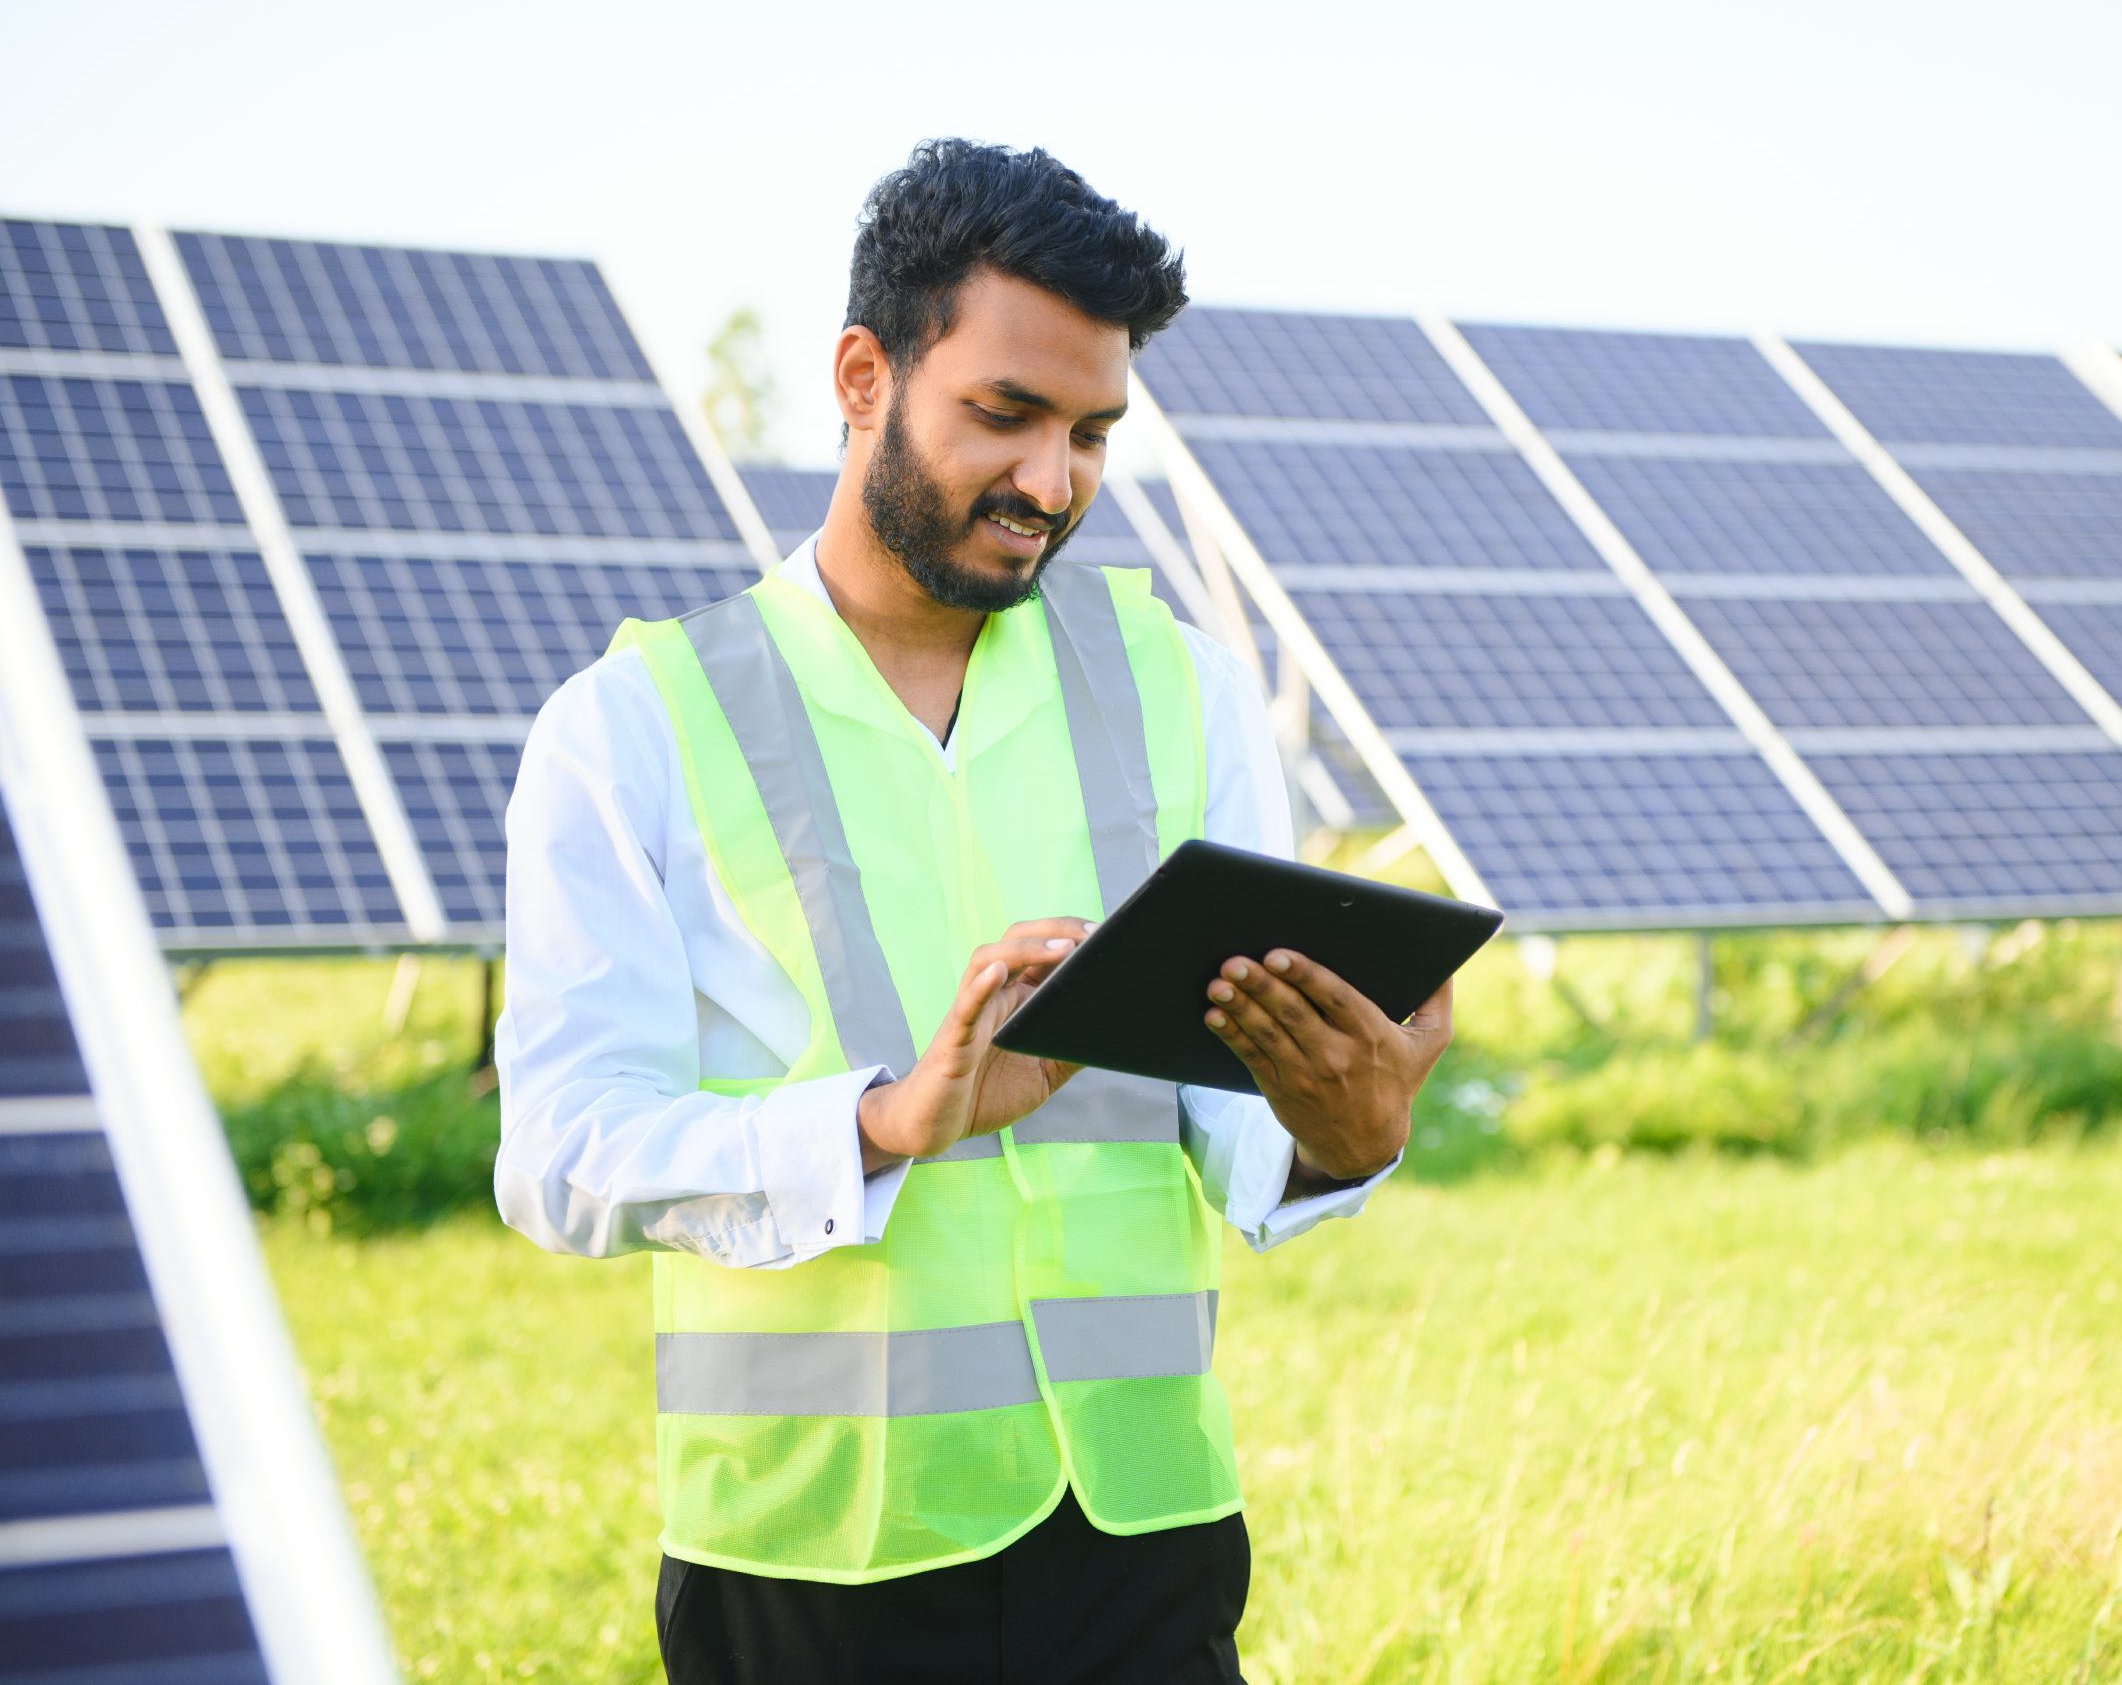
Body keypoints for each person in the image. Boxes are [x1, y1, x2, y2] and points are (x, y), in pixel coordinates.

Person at [493, 138, 1454, 1684]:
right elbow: (556, 1155)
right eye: (1003, 417)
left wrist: (1350, 1138)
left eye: (1091, 433)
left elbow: (1245, 1135)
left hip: (1144, 1529)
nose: (1050, 484)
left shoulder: (1180, 686)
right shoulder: (631, 727)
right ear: (863, 375)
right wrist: (878, 1125)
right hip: (812, 1557)